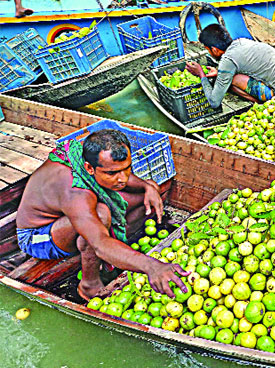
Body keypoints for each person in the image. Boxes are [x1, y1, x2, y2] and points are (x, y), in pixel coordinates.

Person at [16, 129, 188, 301]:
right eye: (112, 173)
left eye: (126, 168)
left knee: (149, 189)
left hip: (74, 216)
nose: (122, 179)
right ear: (89, 168)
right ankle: (89, 285)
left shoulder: (87, 156)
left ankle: (117, 251)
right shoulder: (75, 192)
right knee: (101, 215)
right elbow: (99, 243)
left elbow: (123, 176)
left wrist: (147, 187)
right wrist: (152, 266)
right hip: (38, 236)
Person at [185, 24, 275, 107]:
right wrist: (219, 72)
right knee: (231, 77)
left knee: (232, 81)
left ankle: (264, 104)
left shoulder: (228, 59)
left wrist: (201, 74)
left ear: (214, 50)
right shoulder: (241, 42)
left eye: (208, 50)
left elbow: (214, 102)